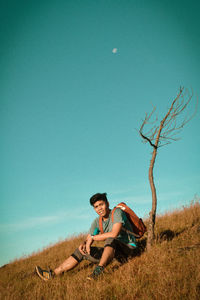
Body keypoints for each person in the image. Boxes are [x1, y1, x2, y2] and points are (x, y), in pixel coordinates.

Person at [35, 193, 138, 280]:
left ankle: (98, 271)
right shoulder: (97, 221)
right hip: (113, 253)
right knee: (82, 250)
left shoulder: (116, 212)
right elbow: (89, 237)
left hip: (128, 250)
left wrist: (93, 238)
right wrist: (84, 244)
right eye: (96, 207)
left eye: (101, 204)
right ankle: (53, 274)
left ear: (107, 204)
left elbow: (114, 234)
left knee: (110, 239)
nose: (99, 209)